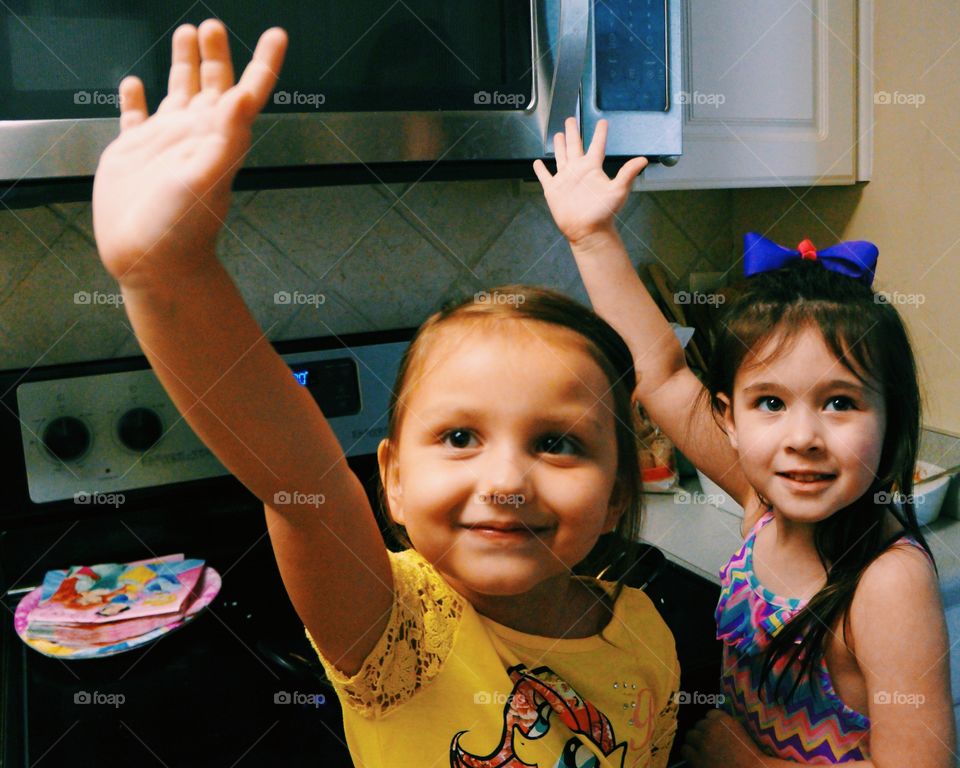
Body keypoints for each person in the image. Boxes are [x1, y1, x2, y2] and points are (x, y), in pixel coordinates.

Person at [92, 20, 680, 767]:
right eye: (460, 438)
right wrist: (170, 274)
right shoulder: (397, 628)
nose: (504, 483)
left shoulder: (643, 632)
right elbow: (297, 480)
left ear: (621, 492)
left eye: (557, 442)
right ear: (394, 481)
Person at [535, 118, 956, 766]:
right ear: (728, 419)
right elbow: (662, 373)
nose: (803, 438)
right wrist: (591, 238)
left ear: (891, 416)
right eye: (771, 403)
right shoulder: (764, 507)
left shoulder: (886, 583)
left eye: (839, 402)